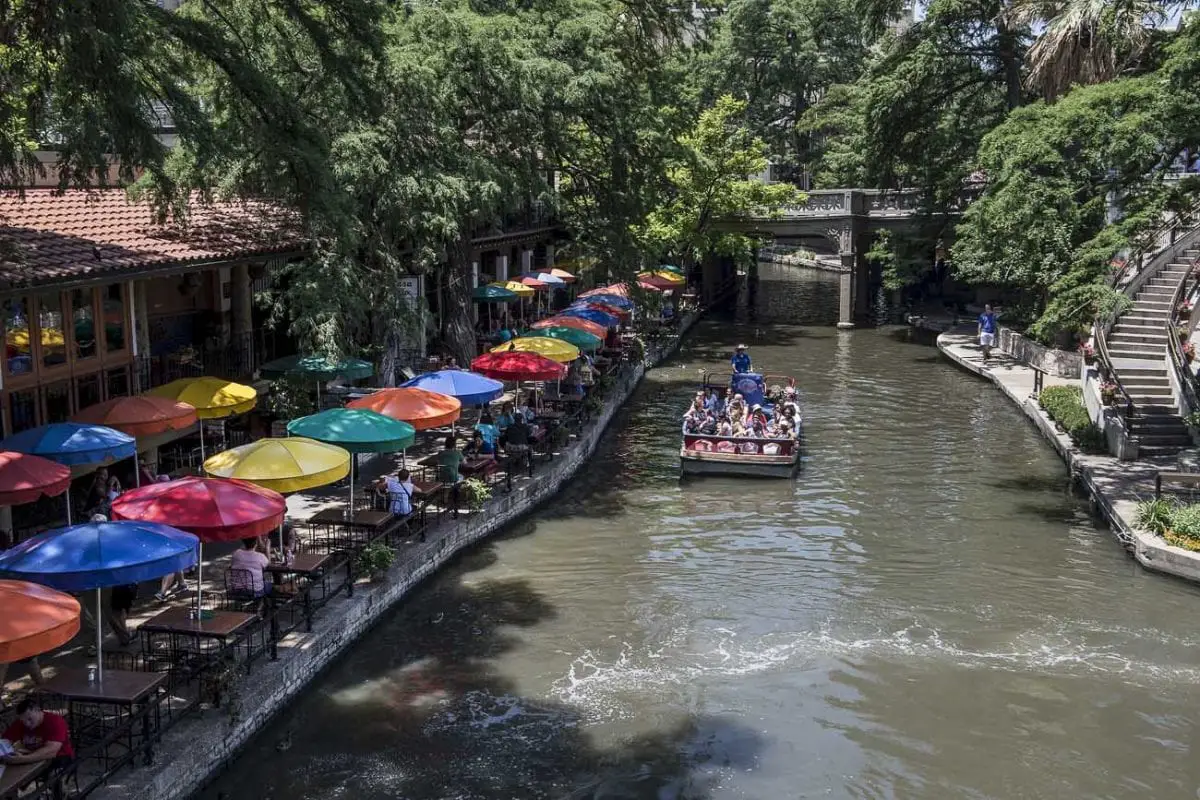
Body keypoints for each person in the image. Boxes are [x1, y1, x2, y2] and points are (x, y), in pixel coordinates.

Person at [1, 698, 74, 768]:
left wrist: (23, 759)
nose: (27, 724)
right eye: (23, 721)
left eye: (30, 719)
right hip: (32, 756)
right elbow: (6, 740)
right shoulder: (21, 723)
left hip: (59, 757)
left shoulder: (55, 721)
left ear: (38, 710)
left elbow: (52, 751)